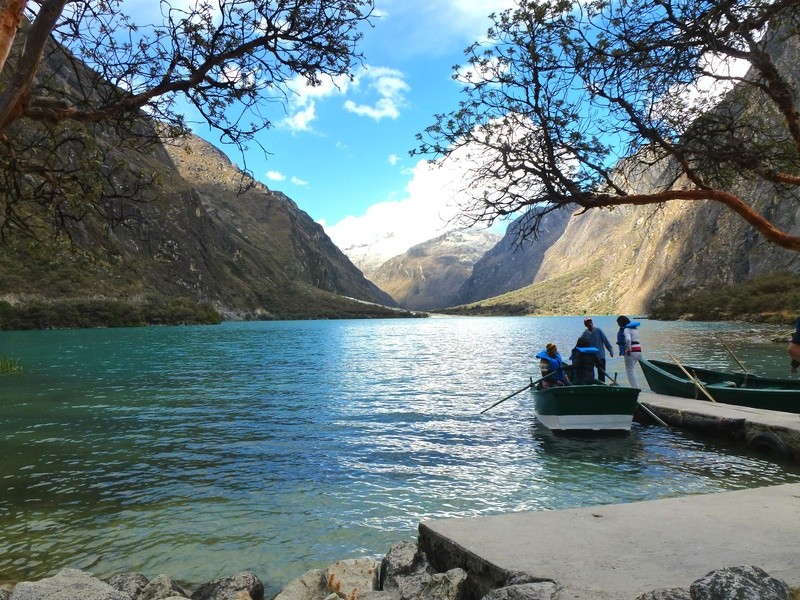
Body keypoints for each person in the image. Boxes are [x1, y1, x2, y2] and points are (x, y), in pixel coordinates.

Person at [616, 315, 642, 388]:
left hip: (632, 351)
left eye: (618, 323)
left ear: (621, 323)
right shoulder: (635, 328)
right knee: (632, 369)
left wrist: (628, 348)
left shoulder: (626, 329)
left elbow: (628, 339)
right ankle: (635, 386)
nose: (618, 325)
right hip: (639, 350)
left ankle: (634, 388)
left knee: (630, 370)